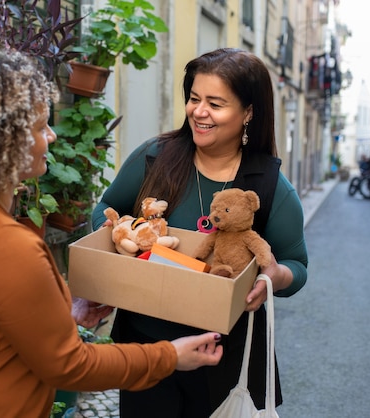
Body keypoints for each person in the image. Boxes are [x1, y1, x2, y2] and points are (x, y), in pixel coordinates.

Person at [0, 51, 224, 418]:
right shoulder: (8, 245)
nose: (50, 135)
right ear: (5, 142)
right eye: (39, 127)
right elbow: (71, 366)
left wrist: (64, 311)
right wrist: (170, 356)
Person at [92, 47, 308, 417]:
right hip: (148, 347)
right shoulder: (156, 157)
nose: (199, 112)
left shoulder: (269, 186)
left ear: (248, 113)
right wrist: (122, 239)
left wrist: (273, 276)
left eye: (216, 103)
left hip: (222, 353)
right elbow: (105, 210)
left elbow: (296, 265)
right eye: (194, 99)